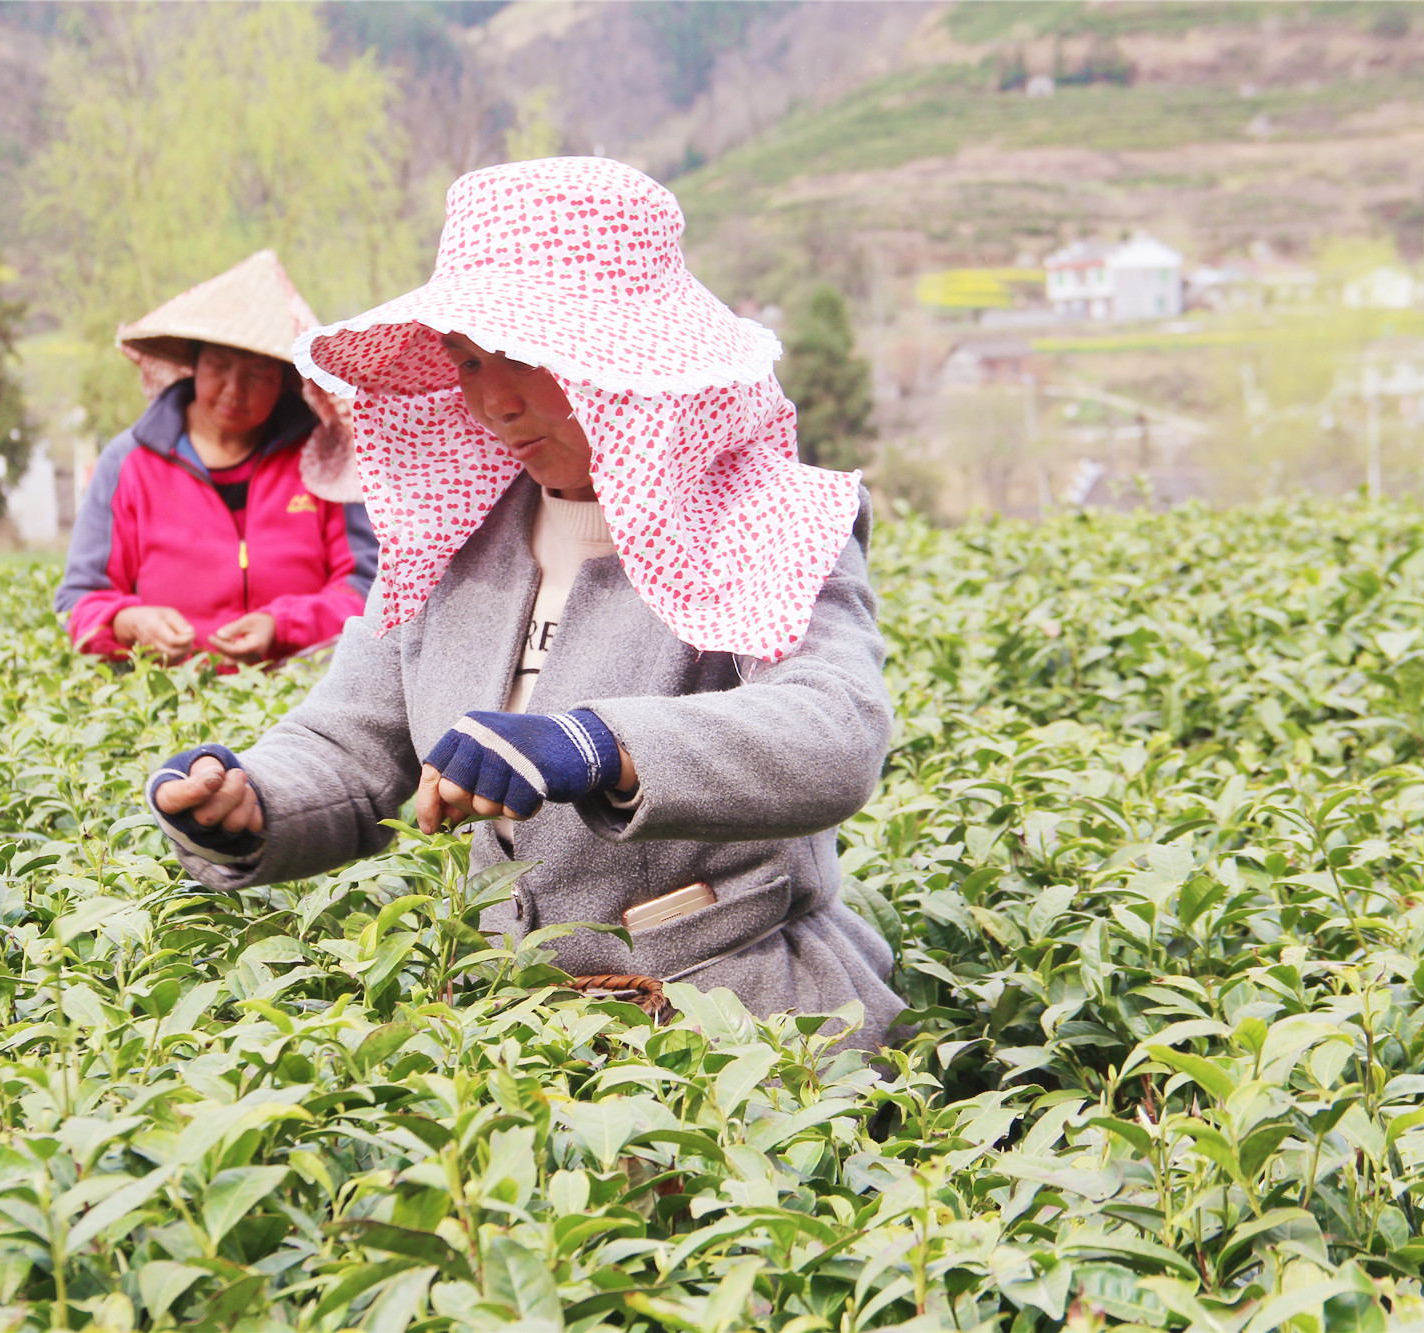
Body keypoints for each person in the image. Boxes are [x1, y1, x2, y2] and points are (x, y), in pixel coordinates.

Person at [145, 159, 903, 1049]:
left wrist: (601, 745)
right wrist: (249, 803)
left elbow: (835, 728)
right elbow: (353, 742)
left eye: (527, 358)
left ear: (625, 356)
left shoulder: (766, 516)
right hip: (508, 1033)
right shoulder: (452, 530)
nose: (494, 401)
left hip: (741, 1019)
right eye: (468, 360)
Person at [57, 251, 378, 668]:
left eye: (258, 374)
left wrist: (281, 626)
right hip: (167, 693)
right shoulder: (128, 464)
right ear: (193, 364)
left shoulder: (327, 460)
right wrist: (127, 622)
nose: (234, 389)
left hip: (301, 691)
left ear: (287, 380)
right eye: (219, 366)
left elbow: (366, 590)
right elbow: (78, 602)